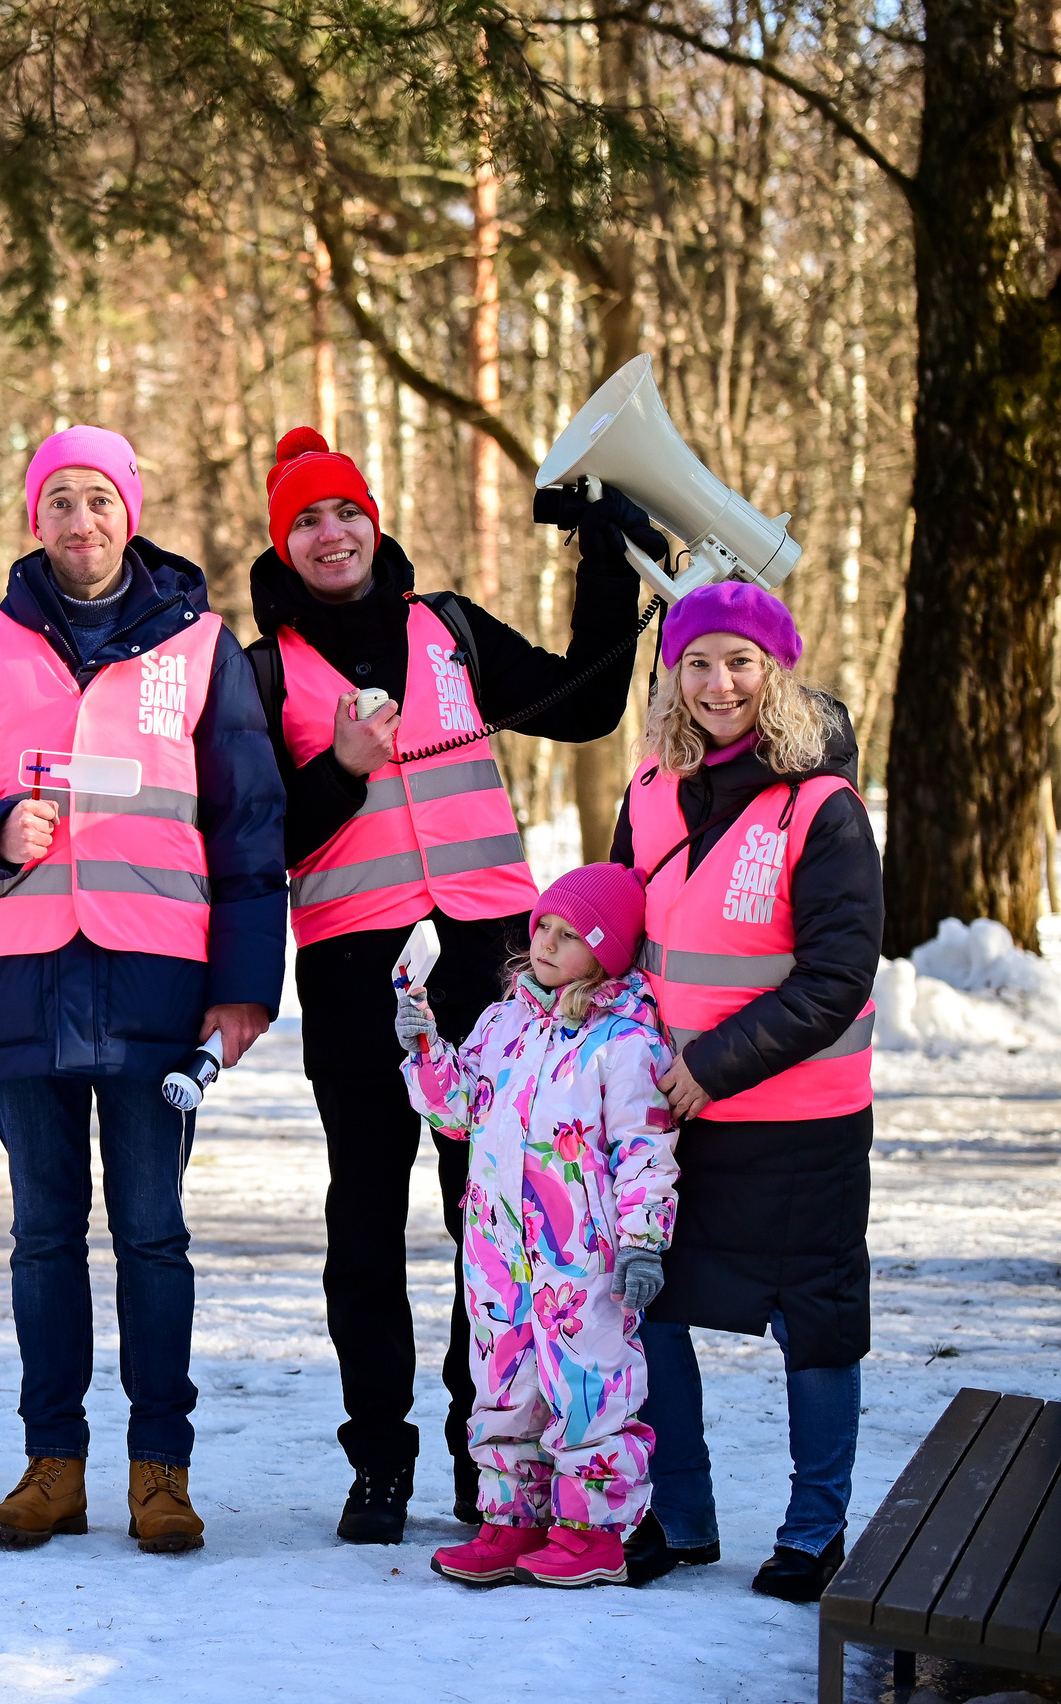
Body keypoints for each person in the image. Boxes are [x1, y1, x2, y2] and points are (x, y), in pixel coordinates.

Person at [241, 426, 650, 1543]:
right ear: (284, 544)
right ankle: (379, 1461)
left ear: (373, 521)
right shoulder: (262, 669)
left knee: (497, 1216)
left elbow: (583, 700)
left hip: (489, 959)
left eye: (344, 512)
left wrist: (605, 563)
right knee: (365, 1219)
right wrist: (338, 770)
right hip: (353, 965)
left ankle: (492, 1454)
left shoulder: (449, 629)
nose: (331, 534)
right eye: (305, 521)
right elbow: (253, 833)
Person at [0, 425, 287, 1555]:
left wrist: (245, 983)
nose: (79, 520)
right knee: (40, 1236)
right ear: (34, 520)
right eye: (57, 500)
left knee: (153, 1234)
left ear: (129, 513)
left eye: (97, 499)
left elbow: (248, 824)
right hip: (19, 979)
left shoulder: (203, 648)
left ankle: (160, 1472)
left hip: (157, 979)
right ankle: (50, 1467)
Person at [610, 582, 881, 1601]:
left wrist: (709, 1064)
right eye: (697, 663)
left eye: (739, 661)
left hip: (799, 1125)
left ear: (776, 672)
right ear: (673, 677)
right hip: (670, 1118)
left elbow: (836, 975)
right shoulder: (647, 787)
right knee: (655, 1308)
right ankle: (679, 1515)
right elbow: (616, 927)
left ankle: (814, 1528)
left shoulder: (824, 804)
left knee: (812, 1325)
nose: (718, 683)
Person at [399, 864, 679, 1588]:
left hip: (580, 1259)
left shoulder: (625, 1043)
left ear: (608, 950)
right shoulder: (505, 1023)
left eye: (570, 934)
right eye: (542, 928)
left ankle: (594, 1530)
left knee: (588, 1382)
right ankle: (510, 1519)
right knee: (501, 1379)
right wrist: (427, 1049)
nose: (547, 944)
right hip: (497, 1252)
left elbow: (645, 1149)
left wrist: (645, 1241)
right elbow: (458, 1113)